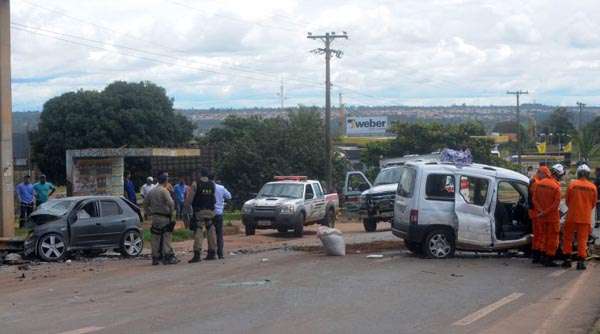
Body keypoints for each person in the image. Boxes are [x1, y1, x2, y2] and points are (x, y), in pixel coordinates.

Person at [562, 164, 598, 270]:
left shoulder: (572, 184)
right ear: (587, 174)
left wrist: (573, 208)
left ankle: (567, 260)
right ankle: (581, 262)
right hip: (585, 217)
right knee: (582, 239)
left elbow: (567, 200)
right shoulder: (593, 187)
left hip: (572, 216)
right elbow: (593, 203)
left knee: (567, 238)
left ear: (578, 173)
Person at [143, 172, 179, 265]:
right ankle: (167, 257)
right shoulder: (164, 191)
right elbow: (171, 203)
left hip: (155, 217)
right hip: (164, 217)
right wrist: (171, 213)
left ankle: (155, 258)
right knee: (166, 236)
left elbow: (145, 204)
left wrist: (149, 212)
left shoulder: (152, 191)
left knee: (155, 238)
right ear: (166, 181)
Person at [533, 164, 564, 267]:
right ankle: (549, 259)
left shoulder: (539, 184)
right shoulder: (556, 187)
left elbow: (534, 200)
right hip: (552, 217)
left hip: (541, 216)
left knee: (543, 236)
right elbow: (556, 204)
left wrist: (541, 211)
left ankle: (542, 256)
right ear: (558, 175)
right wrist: (545, 212)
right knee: (553, 238)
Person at [185, 169, 217, 263]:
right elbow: (213, 198)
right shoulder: (212, 184)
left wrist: (186, 207)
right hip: (210, 211)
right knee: (211, 230)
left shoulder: (196, 184)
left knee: (199, 230)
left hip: (199, 211)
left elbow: (189, 199)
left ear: (200, 174)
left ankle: (197, 254)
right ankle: (212, 252)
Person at [528, 166, 551, 264]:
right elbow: (537, 198)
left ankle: (535, 254)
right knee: (540, 234)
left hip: (534, 211)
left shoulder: (534, 181)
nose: (546, 178)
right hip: (537, 212)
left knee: (537, 235)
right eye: (545, 175)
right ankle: (539, 255)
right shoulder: (537, 183)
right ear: (541, 173)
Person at [212, 175, 232, 259]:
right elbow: (229, 196)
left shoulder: (206, 187)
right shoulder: (221, 188)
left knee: (211, 234)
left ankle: (212, 253)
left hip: (210, 213)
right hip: (219, 213)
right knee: (219, 234)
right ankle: (220, 254)